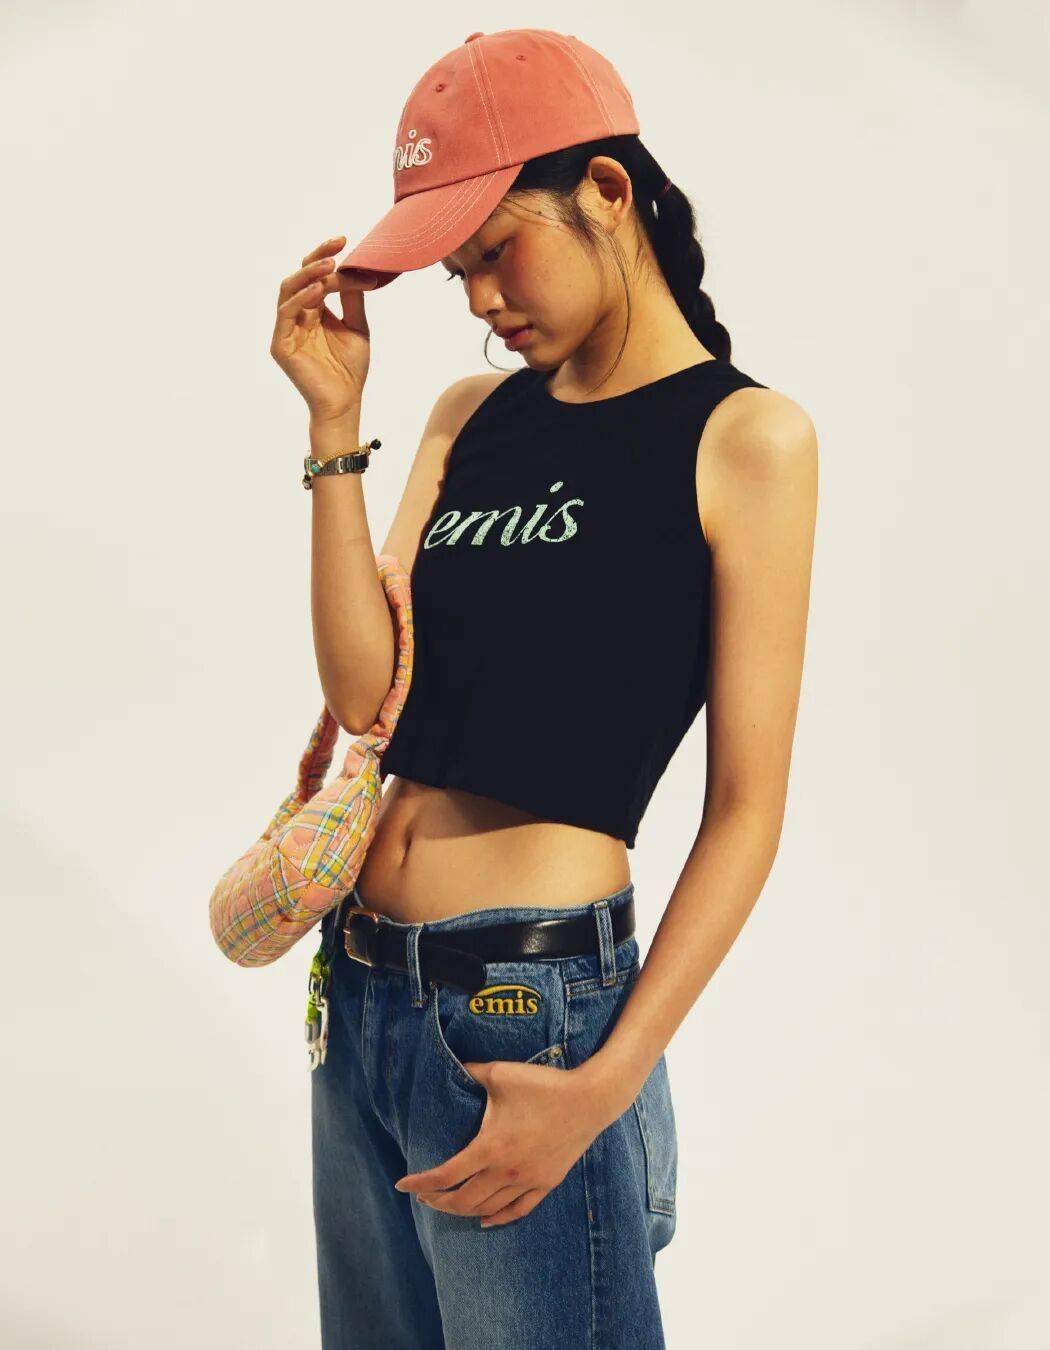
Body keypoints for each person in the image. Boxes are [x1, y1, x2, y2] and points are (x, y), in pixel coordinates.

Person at [270, 27, 817, 1350]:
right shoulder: (471, 415)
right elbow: (368, 696)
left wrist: (607, 1080)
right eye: (455, 270)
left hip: (530, 1019)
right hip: (362, 1001)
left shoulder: (745, 439)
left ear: (606, 194)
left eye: (494, 250)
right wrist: (334, 430)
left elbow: (746, 810)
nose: (478, 299)